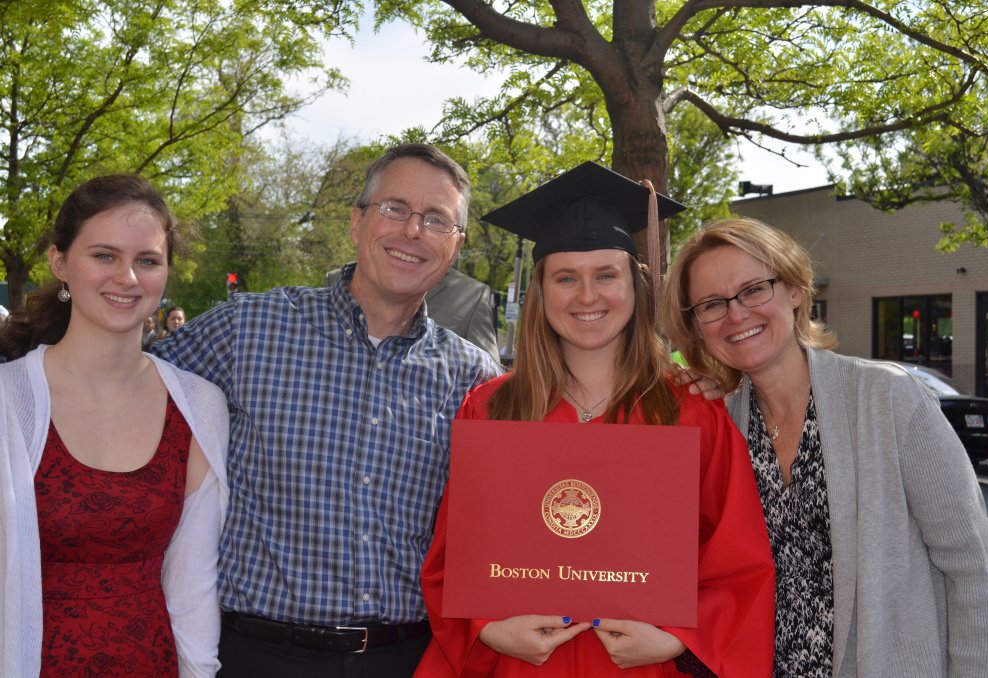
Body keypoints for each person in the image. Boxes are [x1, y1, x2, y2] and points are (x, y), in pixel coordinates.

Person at [149, 144, 502, 677]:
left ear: (456, 246)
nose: (412, 232)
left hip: (406, 660)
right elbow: (122, 383)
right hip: (258, 657)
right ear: (357, 221)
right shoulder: (248, 330)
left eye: (436, 220)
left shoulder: (472, 378)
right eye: (395, 209)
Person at [415, 162, 775, 677]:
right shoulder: (492, 410)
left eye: (606, 274)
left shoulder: (692, 414)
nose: (587, 296)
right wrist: (485, 627)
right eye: (566, 278)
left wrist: (678, 638)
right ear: (541, 292)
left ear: (636, 283)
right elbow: (453, 558)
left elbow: (740, 565)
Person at [662, 216, 988, 677]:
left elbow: (973, 572)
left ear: (796, 290)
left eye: (753, 290)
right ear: (696, 325)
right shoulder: (723, 425)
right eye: (712, 304)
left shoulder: (888, 399)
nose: (737, 314)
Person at [0, 174, 229, 677]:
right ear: (60, 262)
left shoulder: (197, 406)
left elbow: (193, 586)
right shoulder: (7, 401)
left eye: (146, 261)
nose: (127, 277)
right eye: (104, 255)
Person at [326, 264, 501, 364]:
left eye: (434, 221)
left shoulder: (471, 294)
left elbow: (490, 385)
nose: (413, 231)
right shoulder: (338, 279)